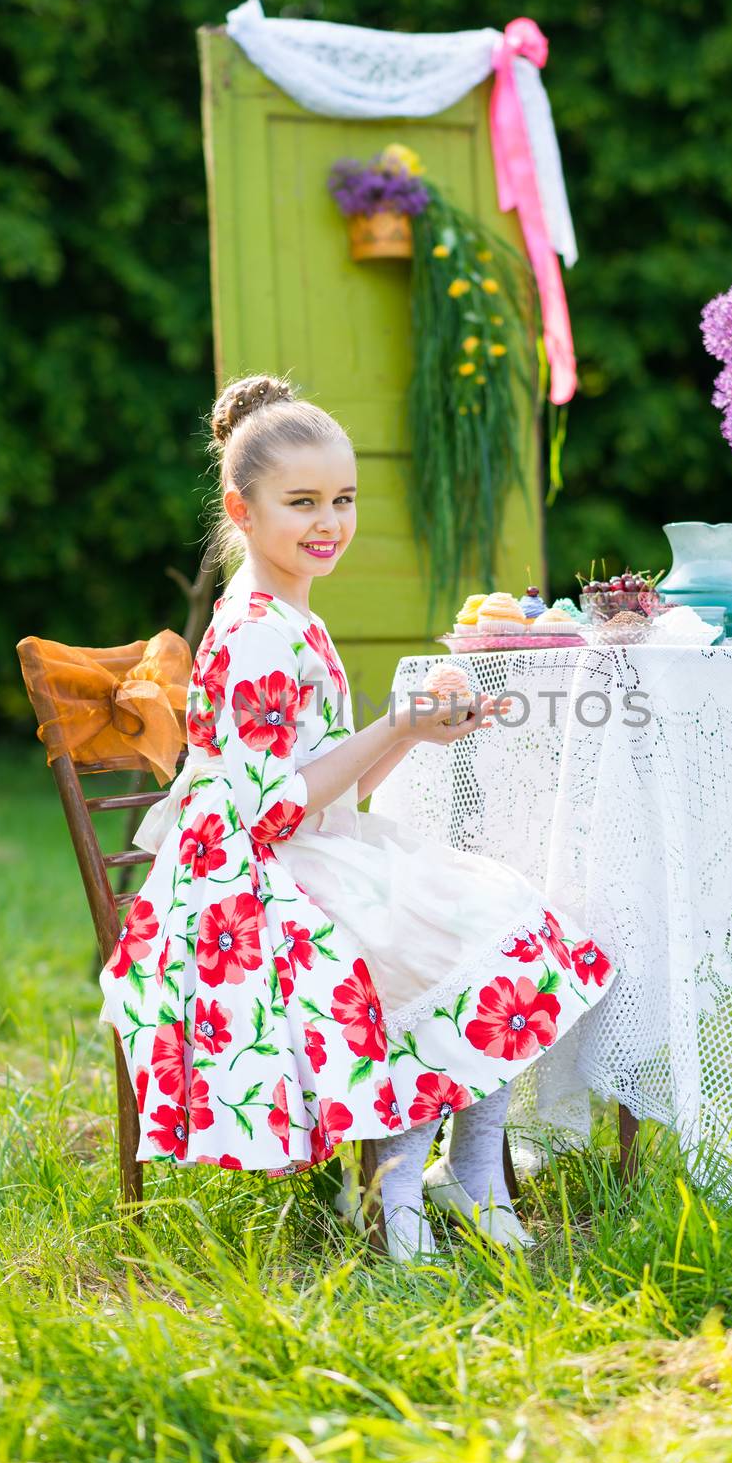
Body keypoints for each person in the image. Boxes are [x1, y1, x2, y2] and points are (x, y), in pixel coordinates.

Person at [97, 374, 616, 1260]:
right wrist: (396, 721)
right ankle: (396, 1190)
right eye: (302, 503)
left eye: (342, 499)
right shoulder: (259, 628)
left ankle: (471, 1167)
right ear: (243, 508)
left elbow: (315, 776)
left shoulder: (291, 610)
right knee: (452, 942)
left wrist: (414, 733)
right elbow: (266, 806)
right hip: (247, 885)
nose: (328, 522)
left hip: (298, 845)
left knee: (509, 917)